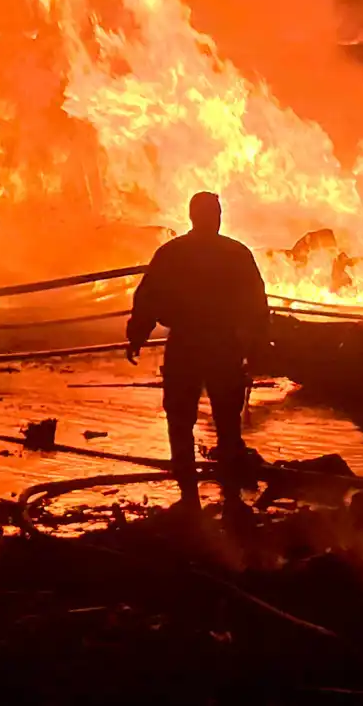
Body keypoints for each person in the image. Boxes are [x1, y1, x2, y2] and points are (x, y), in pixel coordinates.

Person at [126, 191, 270, 509]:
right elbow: (257, 304)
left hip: (186, 345)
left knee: (180, 420)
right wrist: (258, 346)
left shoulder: (172, 253)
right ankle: (231, 497)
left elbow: (148, 298)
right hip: (223, 347)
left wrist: (137, 335)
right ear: (214, 217)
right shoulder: (236, 254)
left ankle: (189, 496)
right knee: (226, 421)